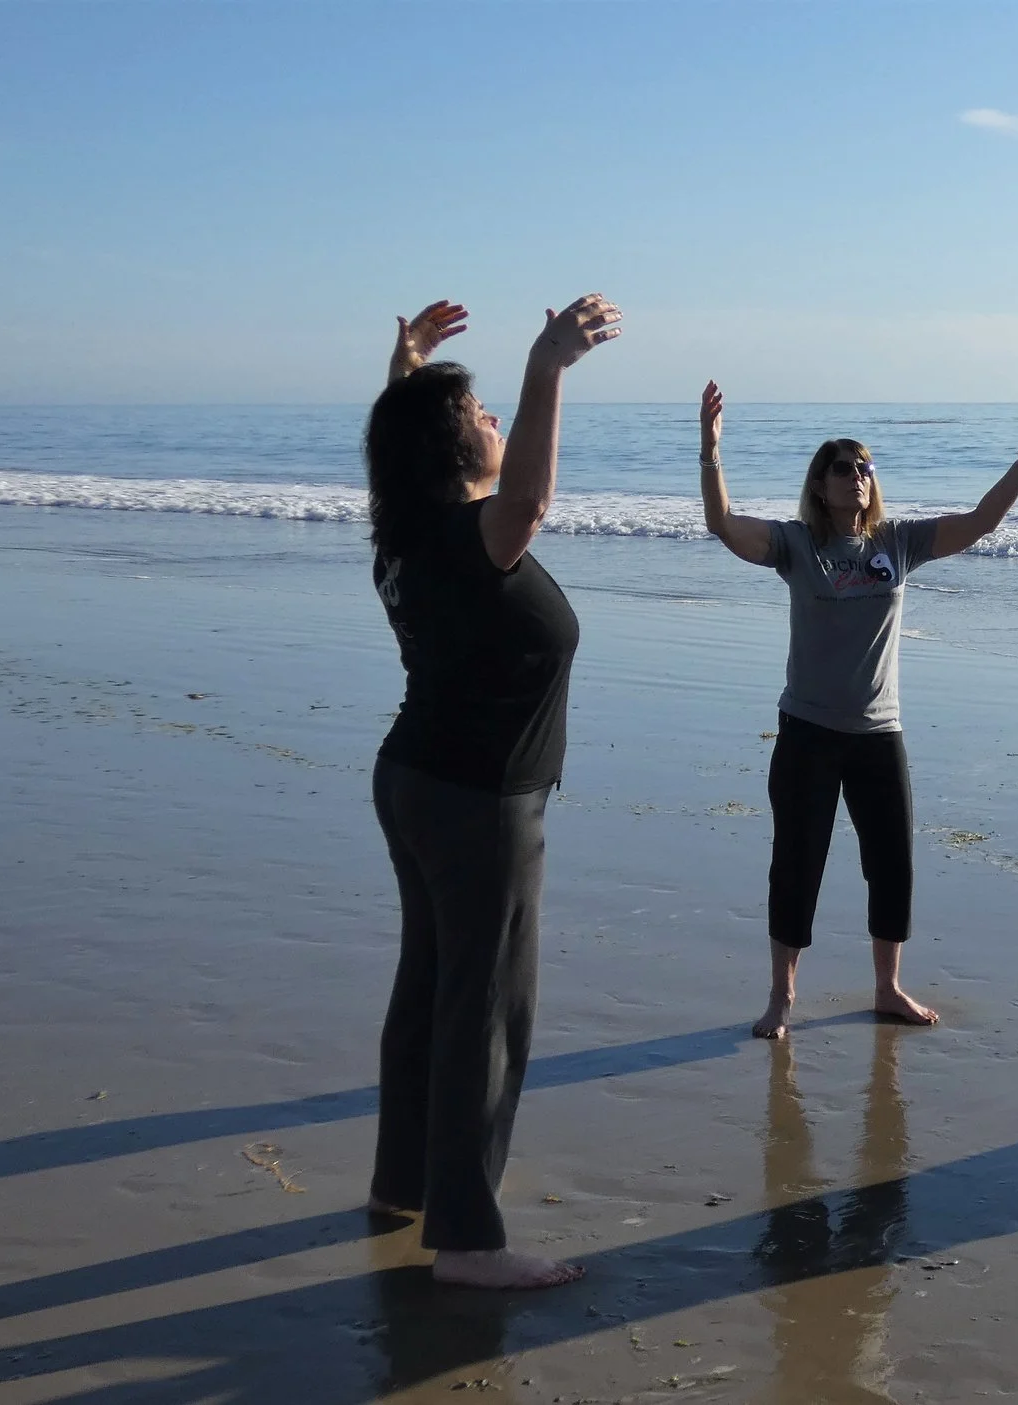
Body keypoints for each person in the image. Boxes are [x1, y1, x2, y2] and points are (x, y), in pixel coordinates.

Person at [362, 293, 621, 1289]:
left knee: (433, 989)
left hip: (420, 780)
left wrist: (408, 367)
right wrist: (547, 365)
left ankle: (406, 1183)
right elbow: (529, 500)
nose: (495, 422)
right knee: (487, 1011)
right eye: (477, 416)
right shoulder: (476, 538)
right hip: (476, 799)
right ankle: (467, 1242)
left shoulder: (409, 528)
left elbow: (407, 446)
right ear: (451, 448)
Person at [696, 382, 1018, 1039]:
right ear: (821, 482)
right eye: (844, 466)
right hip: (807, 730)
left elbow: (980, 522)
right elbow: (723, 525)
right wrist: (710, 451)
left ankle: (888, 985)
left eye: (866, 466)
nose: (858, 475)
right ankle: (781, 996)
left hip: (877, 732)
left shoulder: (899, 541)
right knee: (797, 862)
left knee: (891, 861)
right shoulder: (795, 545)